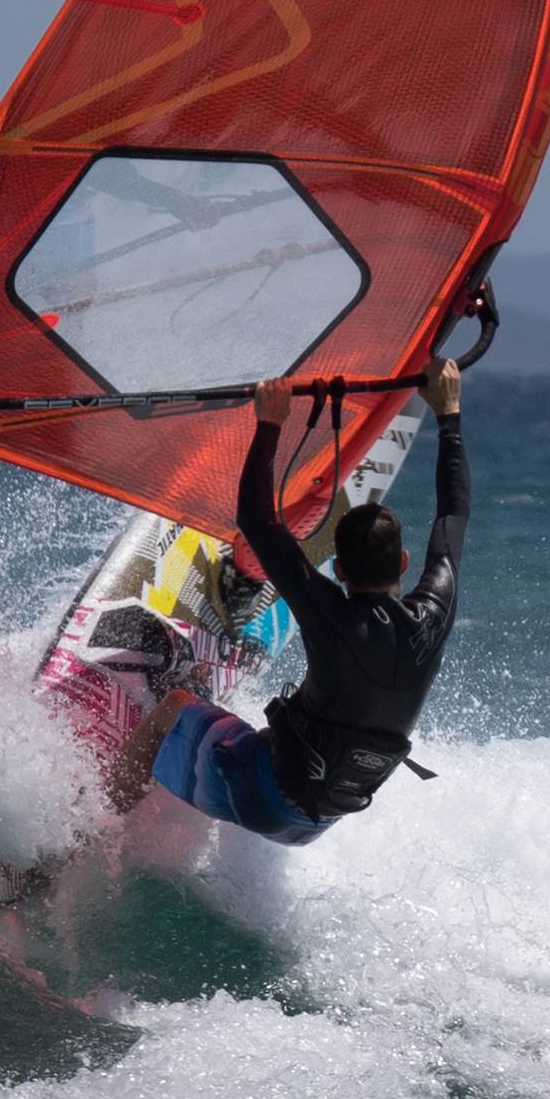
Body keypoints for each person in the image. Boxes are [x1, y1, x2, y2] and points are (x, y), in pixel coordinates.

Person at [104, 355, 469, 845]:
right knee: (204, 697)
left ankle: (77, 844)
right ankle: (199, 704)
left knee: (173, 707)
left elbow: (256, 522)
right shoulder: (434, 616)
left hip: (260, 792)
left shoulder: (328, 610)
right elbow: (453, 516)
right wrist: (449, 415)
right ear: (403, 563)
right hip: (320, 821)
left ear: (339, 572)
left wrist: (270, 422)